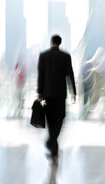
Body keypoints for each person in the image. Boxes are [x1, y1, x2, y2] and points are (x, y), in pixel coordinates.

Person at [37, 35, 76, 163]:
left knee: (50, 120)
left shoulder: (43, 56)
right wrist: (73, 92)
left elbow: (41, 75)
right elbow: (70, 74)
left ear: (51, 42)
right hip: (60, 94)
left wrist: (40, 92)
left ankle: (51, 142)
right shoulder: (66, 56)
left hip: (48, 94)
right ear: (60, 43)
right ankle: (52, 145)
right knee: (60, 118)